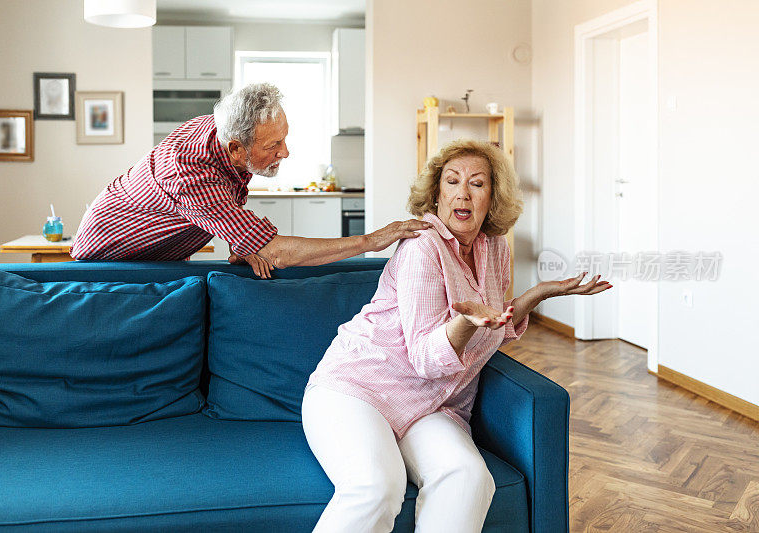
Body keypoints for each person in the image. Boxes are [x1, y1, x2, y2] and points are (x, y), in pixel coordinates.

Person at [301, 139, 612, 532]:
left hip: (432, 405)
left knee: (468, 478)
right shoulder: (421, 248)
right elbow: (426, 359)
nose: (463, 192)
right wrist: (464, 324)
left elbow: (493, 327)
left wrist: (539, 293)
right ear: (436, 194)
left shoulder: (495, 248)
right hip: (357, 390)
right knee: (376, 486)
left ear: (492, 198)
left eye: (477, 184)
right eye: (452, 181)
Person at [71, 83, 430, 275]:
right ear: (236, 149)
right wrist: (372, 240)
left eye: (284, 138)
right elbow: (276, 253)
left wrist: (239, 237)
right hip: (109, 257)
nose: (285, 152)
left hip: (158, 252)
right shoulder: (190, 172)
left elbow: (224, 197)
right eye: (274, 144)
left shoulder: (224, 129)